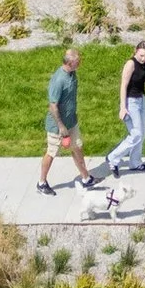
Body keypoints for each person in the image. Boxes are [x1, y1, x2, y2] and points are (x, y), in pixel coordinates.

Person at [39, 43, 91, 193]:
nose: (80, 63)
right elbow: (53, 106)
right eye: (77, 61)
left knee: (77, 147)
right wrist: (61, 126)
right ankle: (41, 183)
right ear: (69, 63)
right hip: (58, 126)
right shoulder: (59, 80)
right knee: (51, 152)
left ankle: (86, 178)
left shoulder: (72, 74)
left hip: (71, 121)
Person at [109, 39, 145, 177]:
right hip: (131, 101)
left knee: (142, 132)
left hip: (142, 100)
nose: (144, 58)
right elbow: (123, 85)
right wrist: (123, 107)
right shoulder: (130, 64)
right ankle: (113, 158)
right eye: (141, 55)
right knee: (136, 134)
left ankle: (135, 162)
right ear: (136, 51)